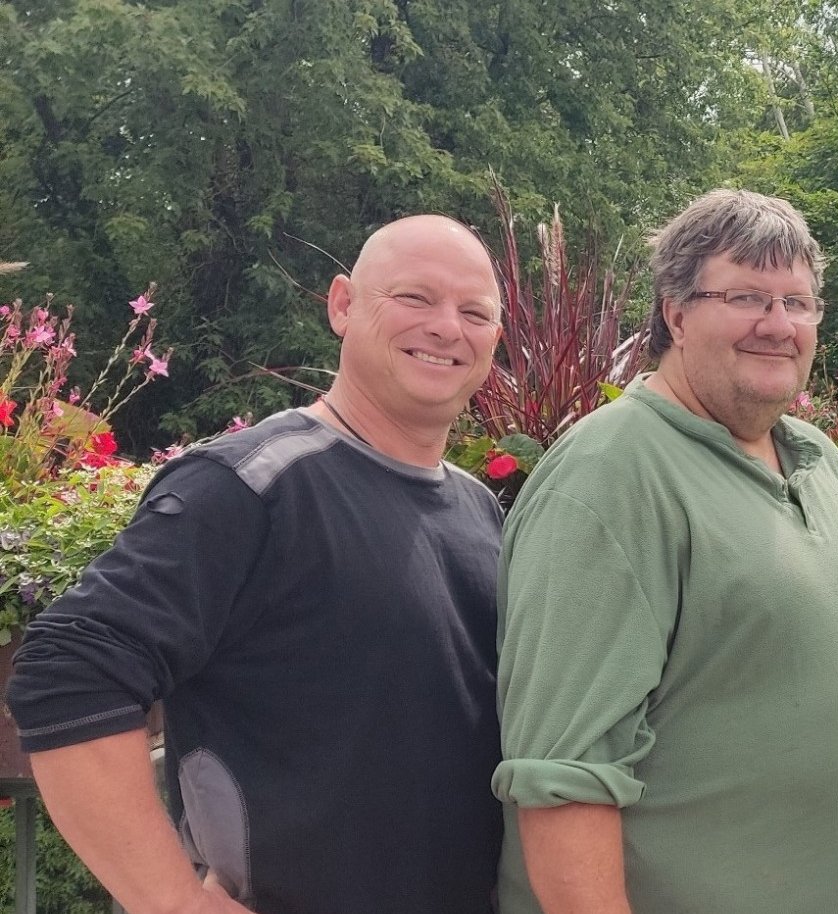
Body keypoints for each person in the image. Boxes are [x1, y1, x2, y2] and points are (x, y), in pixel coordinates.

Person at [7, 215, 508, 913]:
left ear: (493, 340)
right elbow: (67, 670)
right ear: (342, 305)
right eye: (414, 298)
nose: (447, 327)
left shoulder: (480, 512)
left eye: (474, 313)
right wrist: (175, 902)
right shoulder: (251, 487)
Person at [493, 188, 838, 914]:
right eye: (747, 297)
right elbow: (561, 779)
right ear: (675, 314)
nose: (778, 325)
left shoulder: (816, 456)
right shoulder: (610, 474)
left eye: (797, 302)